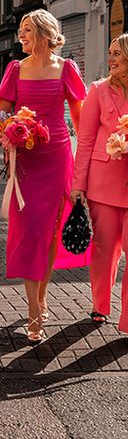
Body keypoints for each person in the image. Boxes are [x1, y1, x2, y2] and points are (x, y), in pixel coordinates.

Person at [0, 9, 87, 343]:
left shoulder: (67, 68)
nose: (21, 35)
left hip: (58, 156)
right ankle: (34, 309)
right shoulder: (14, 69)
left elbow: (80, 122)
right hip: (26, 160)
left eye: (27, 30)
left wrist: (84, 166)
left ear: (45, 34)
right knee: (30, 230)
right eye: (20, 30)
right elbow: (1, 113)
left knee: (50, 232)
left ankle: (41, 296)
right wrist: (10, 129)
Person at [72, 34, 128, 332]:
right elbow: (86, 139)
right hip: (103, 185)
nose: (111, 57)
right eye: (109, 52)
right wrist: (78, 184)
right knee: (105, 249)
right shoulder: (97, 90)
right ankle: (100, 304)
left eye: (117, 52)